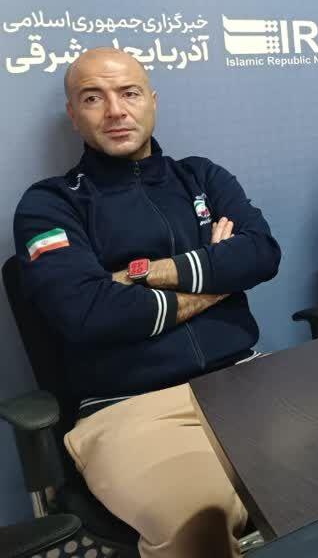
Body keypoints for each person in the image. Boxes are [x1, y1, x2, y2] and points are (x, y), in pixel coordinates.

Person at [13, 47, 281, 558]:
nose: (115, 111)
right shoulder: (49, 204)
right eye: (93, 98)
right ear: (73, 114)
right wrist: (217, 273)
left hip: (247, 379)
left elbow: (261, 254)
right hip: (131, 409)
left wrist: (136, 276)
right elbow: (88, 312)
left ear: (152, 101)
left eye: (129, 93)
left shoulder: (203, 176)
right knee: (198, 523)